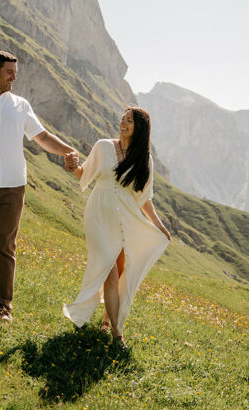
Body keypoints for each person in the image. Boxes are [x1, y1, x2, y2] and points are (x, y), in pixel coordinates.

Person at [0, 50, 78, 323]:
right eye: (9, 73)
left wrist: (68, 151)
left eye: (15, 74)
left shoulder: (20, 105)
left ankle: (3, 304)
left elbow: (41, 136)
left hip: (12, 186)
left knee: (5, 244)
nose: (13, 79)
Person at [63, 106, 172, 347]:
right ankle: (117, 333)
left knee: (120, 272)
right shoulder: (103, 146)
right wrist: (73, 167)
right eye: (122, 119)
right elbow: (84, 174)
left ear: (139, 128)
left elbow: (144, 199)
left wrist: (159, 226)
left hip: (125, 219)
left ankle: (106, 320)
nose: (122, 123)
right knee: (110, 271)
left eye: (129, 121)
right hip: (98, 215)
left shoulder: (144, 160)